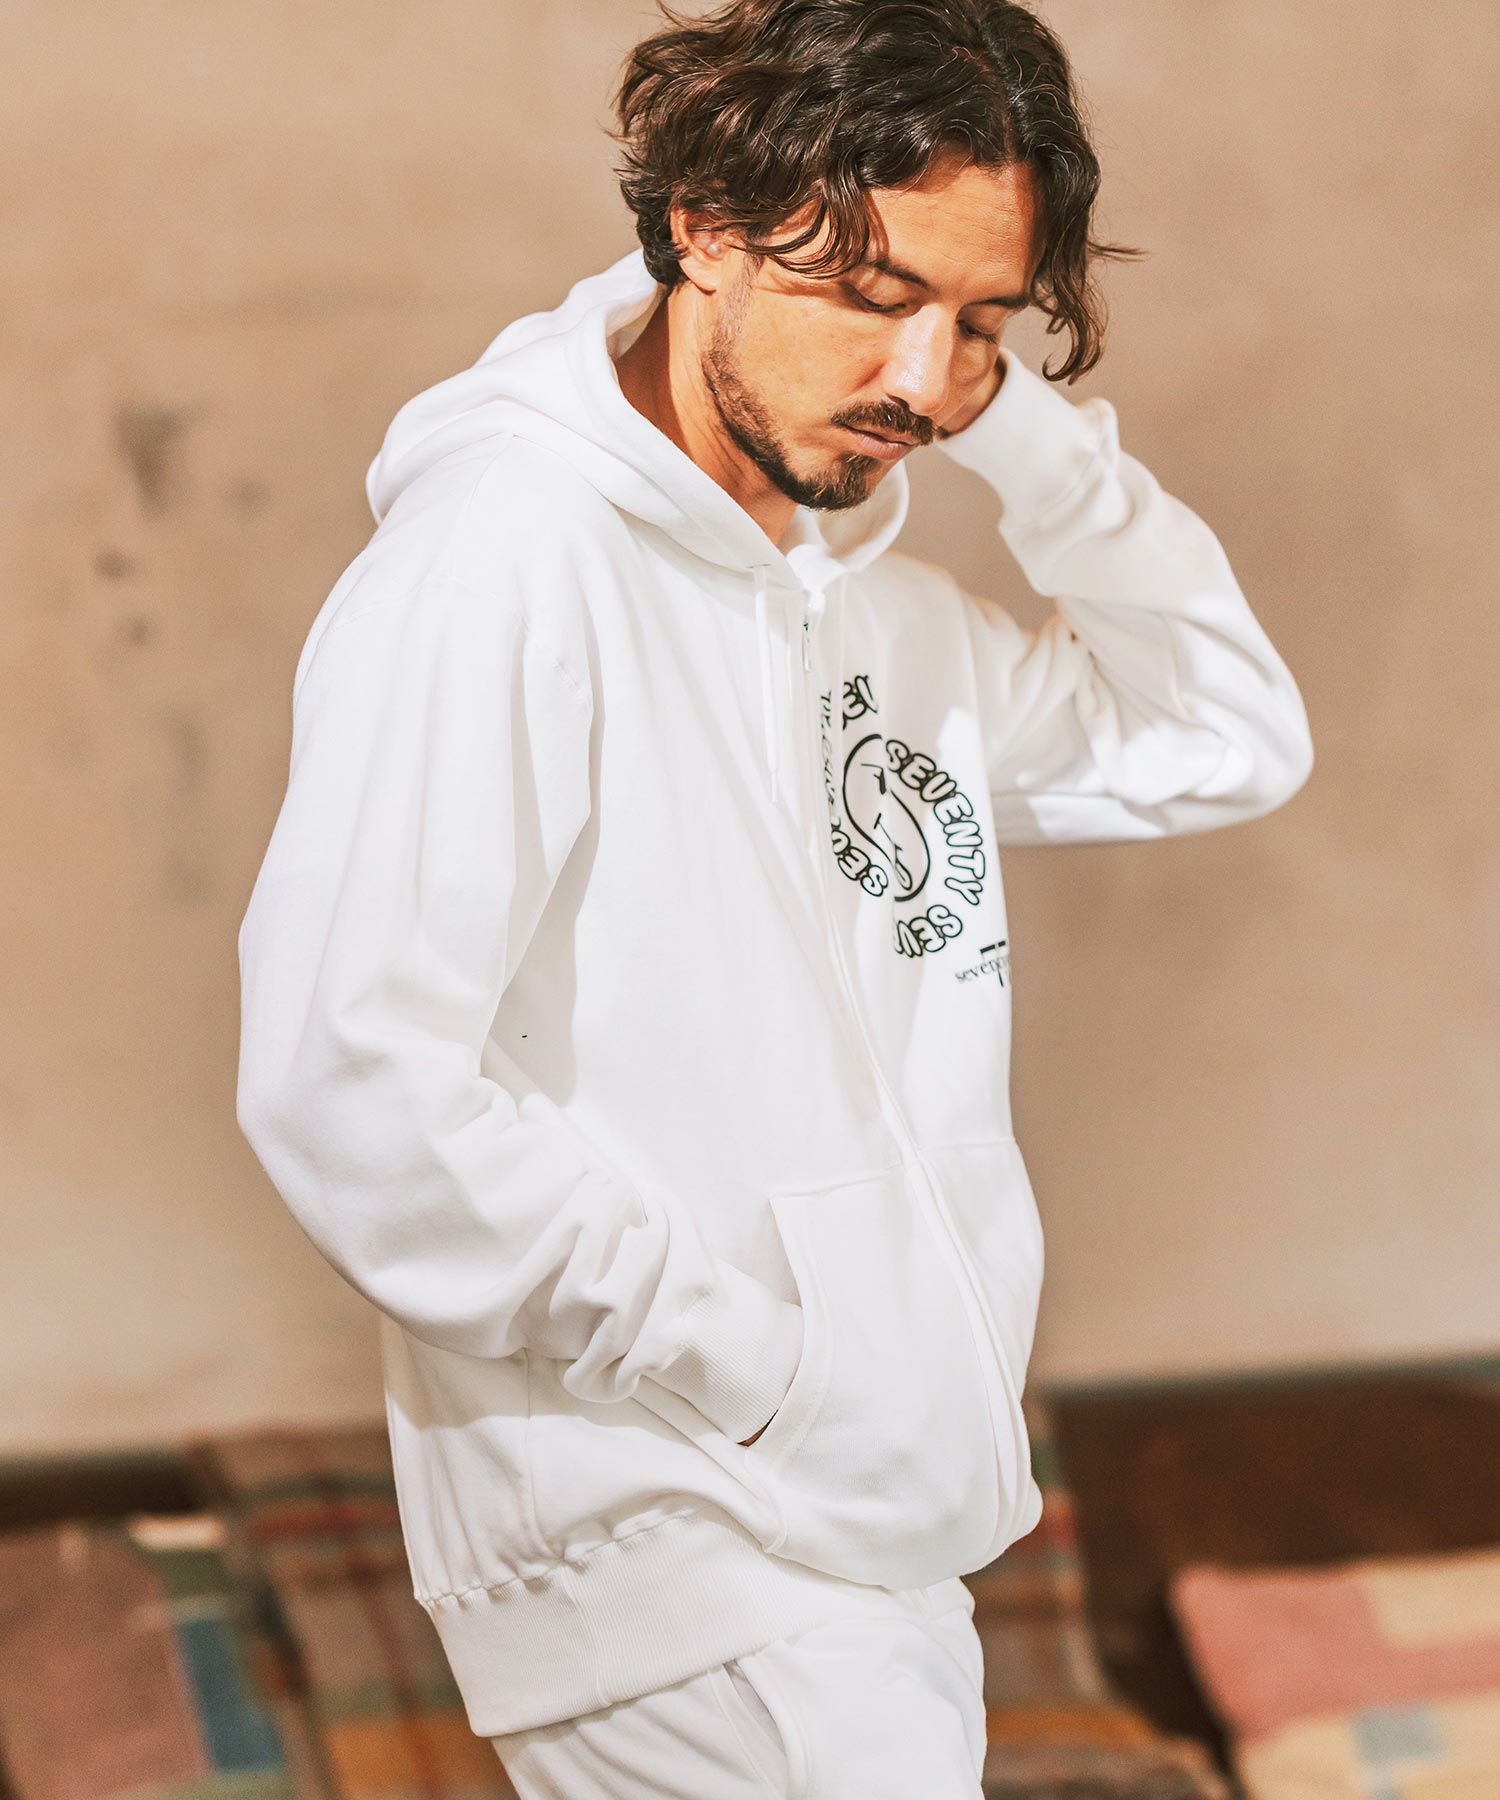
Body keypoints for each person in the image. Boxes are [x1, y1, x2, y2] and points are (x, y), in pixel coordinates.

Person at [234, 0, 1314, 1792]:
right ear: (705, 228)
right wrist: (767, 1373)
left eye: (983, 325)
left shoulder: (869, 613)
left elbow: (1225, 734)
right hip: (696, 1546)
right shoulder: (505, 558)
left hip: (856, 1543)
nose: (925, 380)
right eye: (875, 295)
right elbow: (351, 1085)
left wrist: (1025, 433)